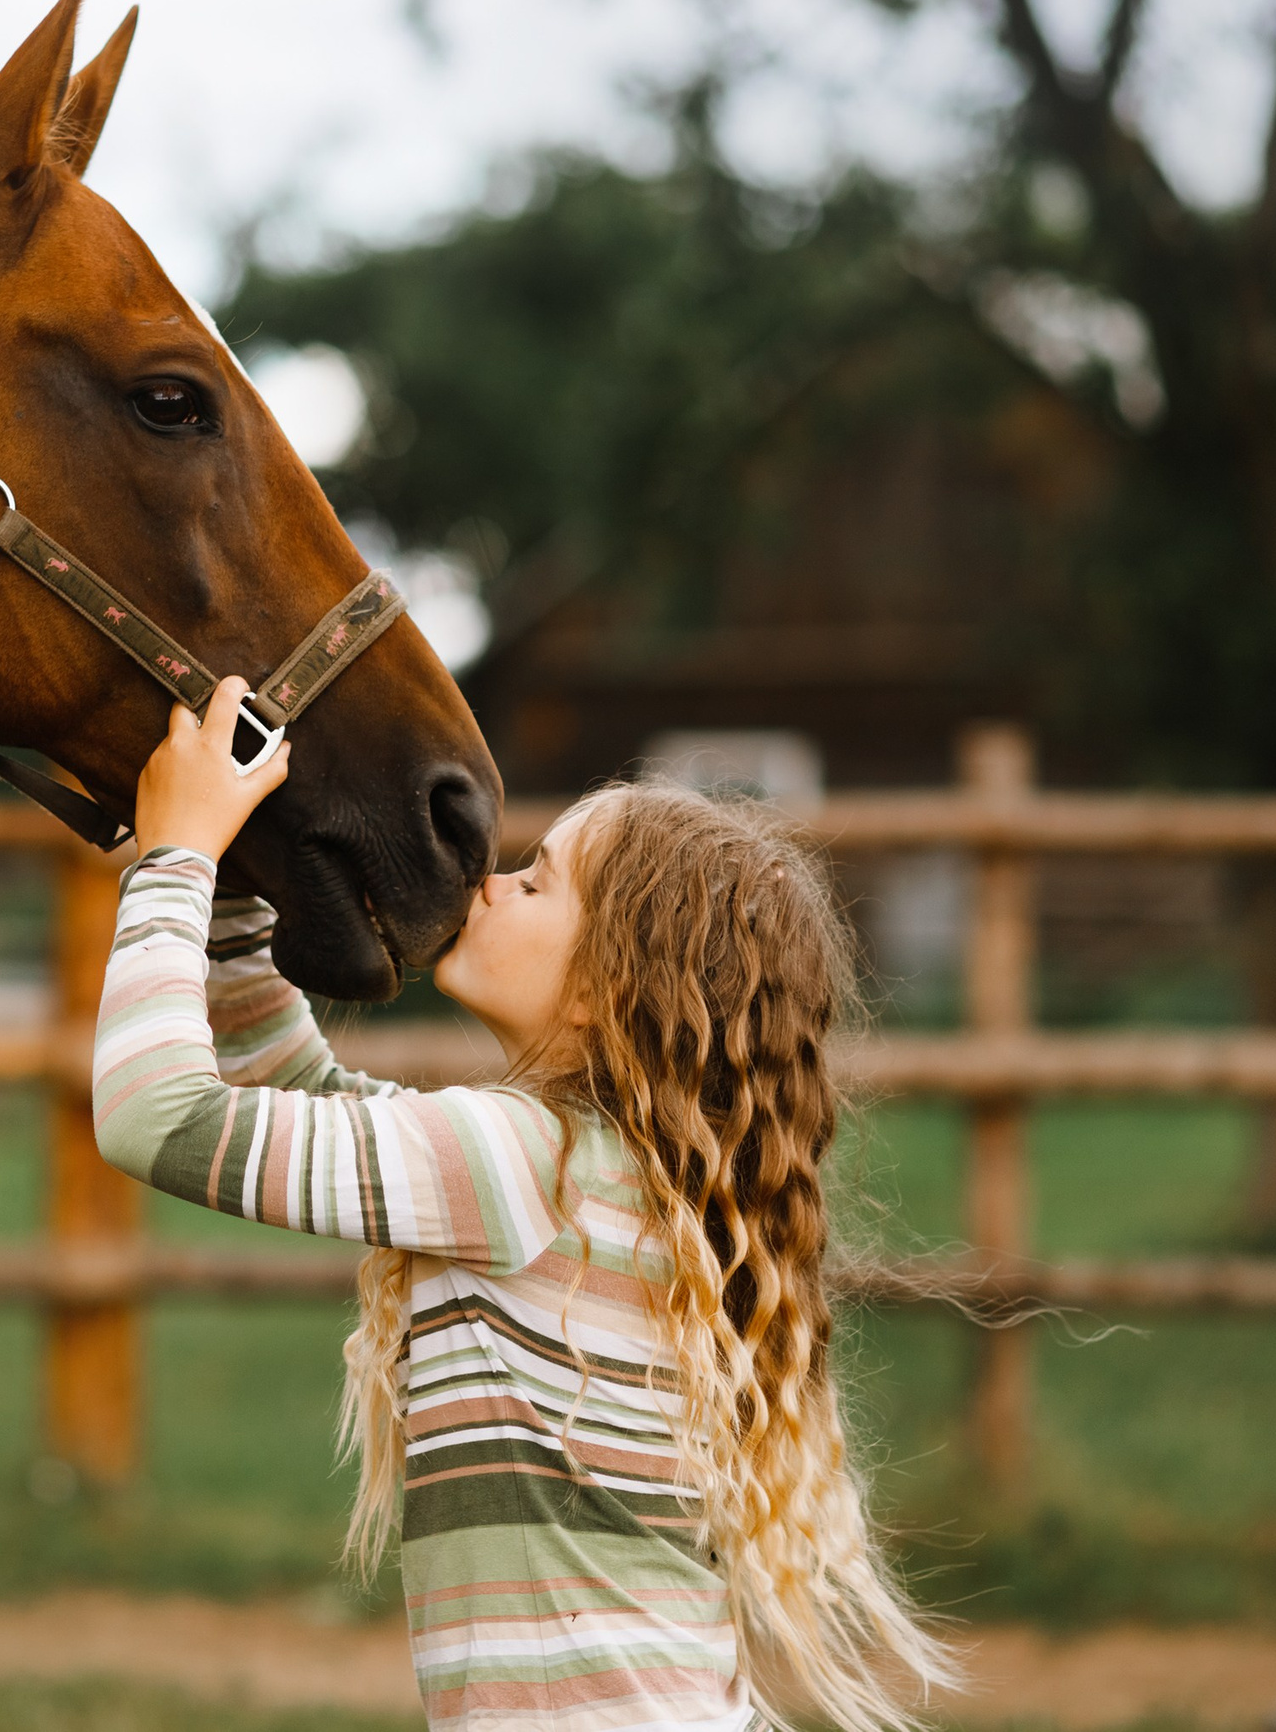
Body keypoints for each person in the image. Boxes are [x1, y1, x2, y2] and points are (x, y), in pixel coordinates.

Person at [91, 677, 953, 1732]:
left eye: (536, 884)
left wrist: (172, 862)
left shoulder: (511, 1164)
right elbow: (293, 1091)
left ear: (602, 988)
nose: (489, 885)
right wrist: (232, 882)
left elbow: (154, 1116)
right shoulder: (595, 1172)